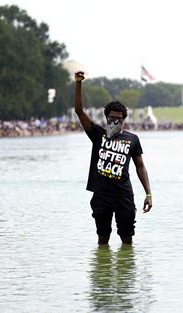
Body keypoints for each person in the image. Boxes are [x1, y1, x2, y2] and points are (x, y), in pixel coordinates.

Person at [74, 71, 152, 245]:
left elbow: (140, 166)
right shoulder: (97, 134)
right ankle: (103, 272)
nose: (114, 122)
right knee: (102, 238)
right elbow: (79, 110)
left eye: (118, 119)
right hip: (101, 195)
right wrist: (78, 84)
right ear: (106, 118)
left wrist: (148, 193)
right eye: (111, 118)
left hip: (123, 195)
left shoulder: (132, 139)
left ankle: (125, 272)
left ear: (123, 120)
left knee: (127, 240)